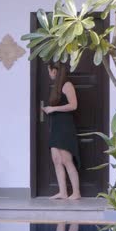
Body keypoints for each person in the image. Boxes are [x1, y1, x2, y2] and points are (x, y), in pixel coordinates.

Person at [41, 61, 81, 200]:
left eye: (49, 71)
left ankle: (76, 192)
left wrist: (53, 109)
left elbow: (73, 105)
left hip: (65, 127)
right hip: (56, 126)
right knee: (56, 159)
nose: (49, 74)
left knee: (66, 160)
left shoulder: (67, 85)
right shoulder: (56, 87)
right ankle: (62, 192)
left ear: (54, 71)